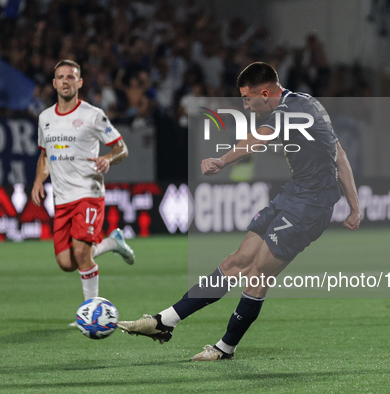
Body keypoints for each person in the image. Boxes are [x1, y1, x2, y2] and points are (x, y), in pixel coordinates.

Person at [118, 62, 361, 360]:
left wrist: (222, 160)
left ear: (265, 92)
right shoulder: (306, 104)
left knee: (257, 275)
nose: (245, 105)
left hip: (311, 206)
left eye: (247, 99)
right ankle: (164, 321)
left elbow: (259, 139)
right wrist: (354, 204)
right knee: (237, 262)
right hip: (294, 194)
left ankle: (225, 348)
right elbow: (339, 152)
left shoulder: (291, 111)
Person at [31, 60, 135, 324]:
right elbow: (45, 155)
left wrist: (109, 159)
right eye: (60, 77)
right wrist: (38, 181)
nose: (65, 81)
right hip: (62, 198)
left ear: (79, 83)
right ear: (54, 84)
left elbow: (122, 148)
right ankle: (113, 243)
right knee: (66, 263)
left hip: (89, 192)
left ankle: (91, 313)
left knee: (80, 252)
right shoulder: (45, 118)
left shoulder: (93, 115)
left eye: (71, 77)